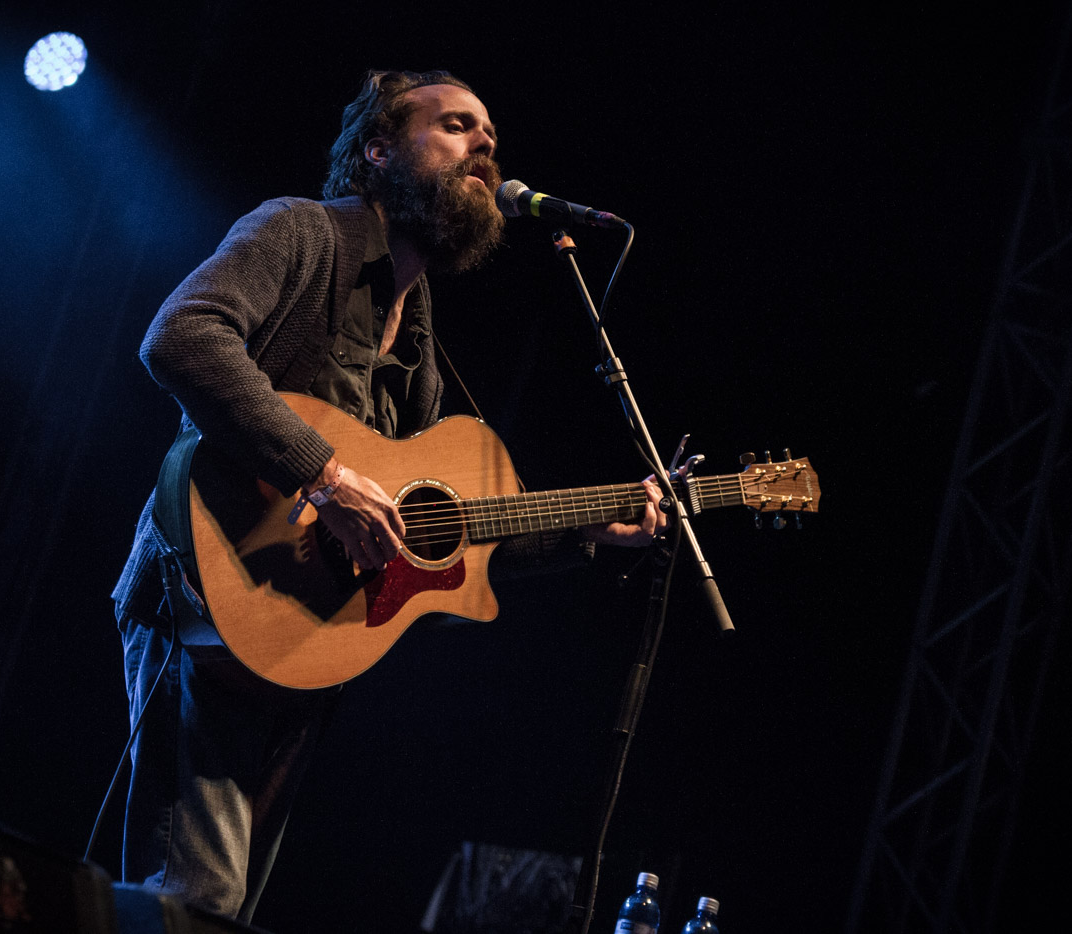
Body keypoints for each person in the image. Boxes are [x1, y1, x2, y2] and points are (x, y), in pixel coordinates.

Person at [110, 69, 666, 925]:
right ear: (377, 148)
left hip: (304, 637)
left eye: (488, 133)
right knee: (195, 899)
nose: (484, 144)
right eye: (455, 125)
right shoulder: (301, 230)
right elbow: (182, 336)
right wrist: (325, 476)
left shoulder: (420, 322)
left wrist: (594, 527)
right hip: (212, 583)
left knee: (225, 912)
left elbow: (441, 534)